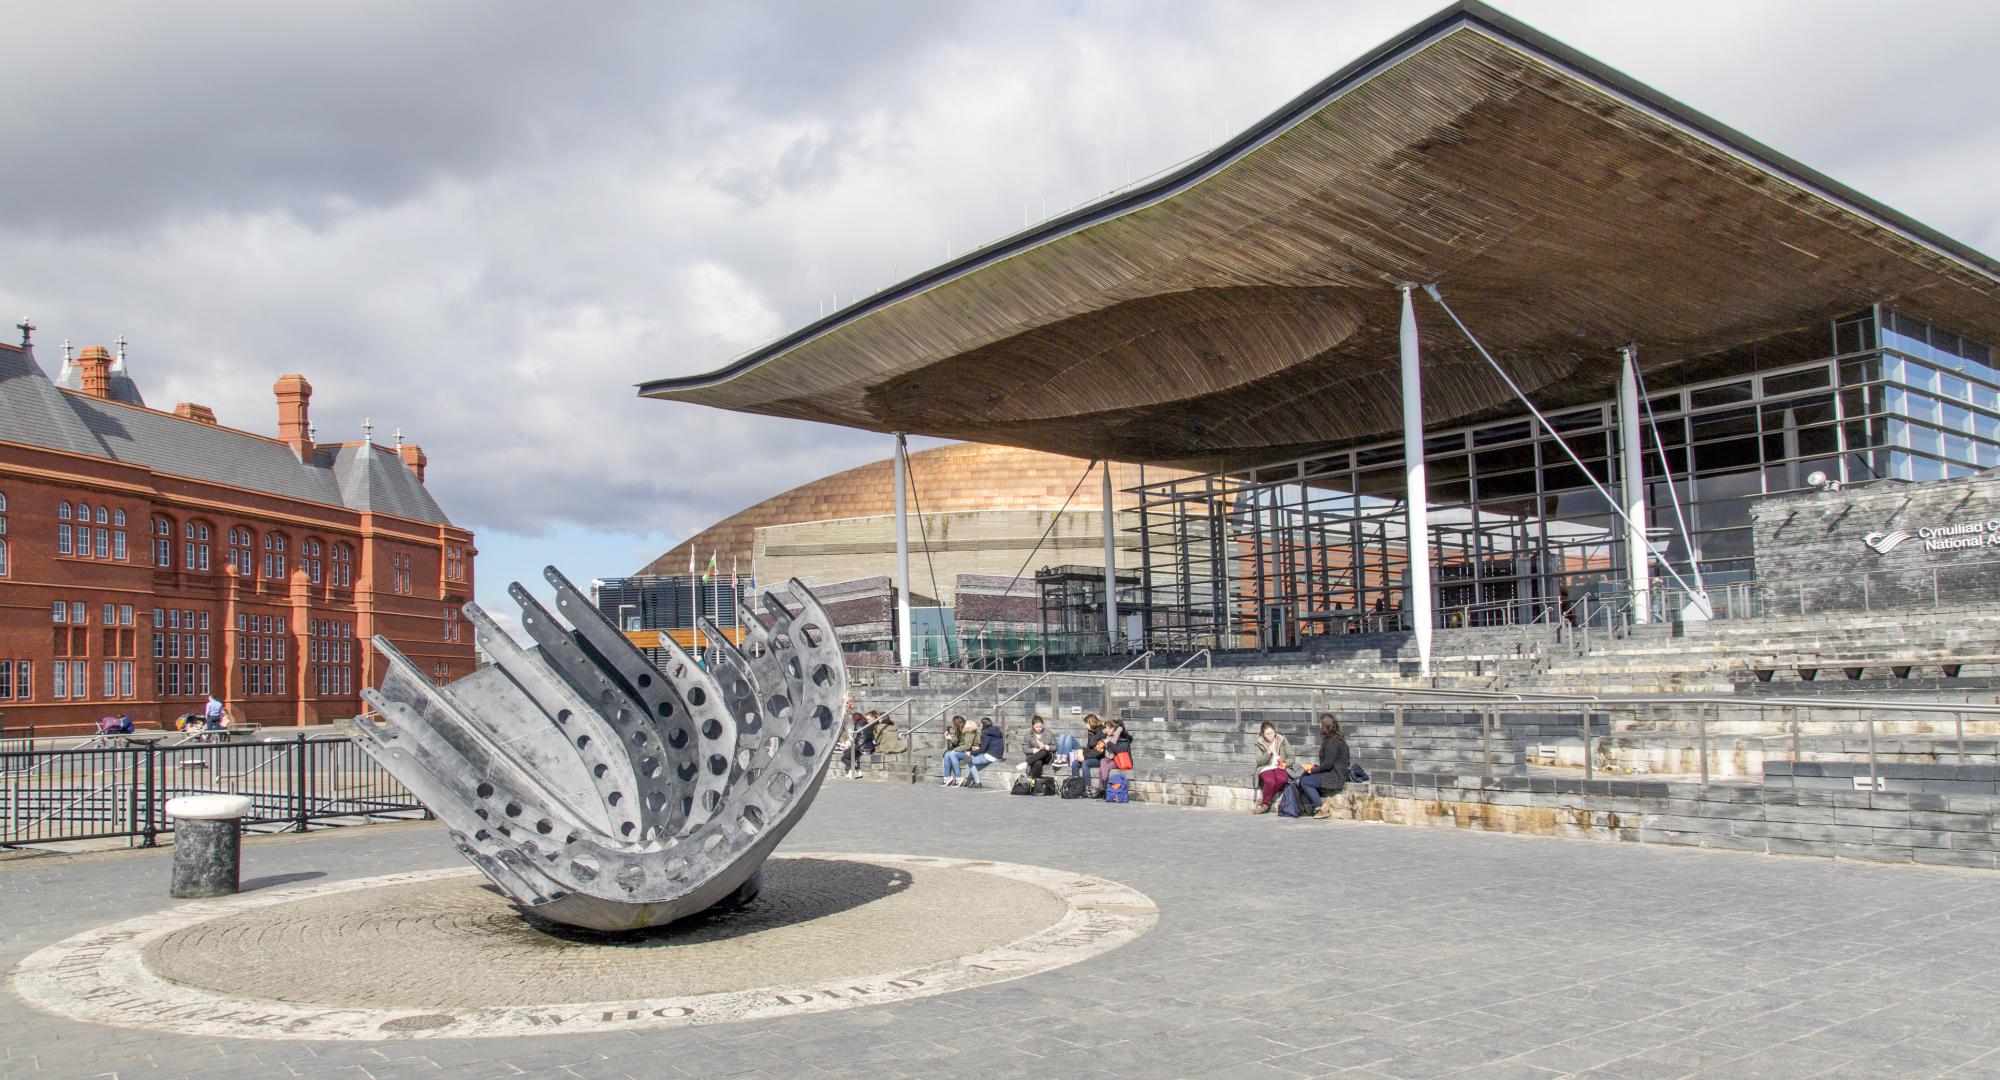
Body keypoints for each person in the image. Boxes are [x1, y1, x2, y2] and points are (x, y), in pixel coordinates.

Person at [1296, 713, 1352, 819]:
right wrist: (1313, 768)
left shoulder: (1333, 742)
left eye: (1321, 725)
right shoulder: (1333, 739)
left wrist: (1313, 770)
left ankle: (1319, 808)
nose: (1319, 727)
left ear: (1326, 727)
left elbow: (1328, 765)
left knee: (1306, 782)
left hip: (1335, 776)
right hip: (1332, 772)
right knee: (1304, 776)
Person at [1252, 720, 1292, 814]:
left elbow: (1291, 757)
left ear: (1275, 731)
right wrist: (1268, 753)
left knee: (1282, 779)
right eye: (1267, 734)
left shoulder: (1281, 740)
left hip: (1280, 766)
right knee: (1270, 781)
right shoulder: (1259, 743)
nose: (1270, 735)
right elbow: (1259, 761)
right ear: (1262, 734)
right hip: (1266, 767)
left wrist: (1285, 764)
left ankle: (1264, 798)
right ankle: (1265, 805)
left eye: (1272, 733)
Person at [963, 716, 1005, 788]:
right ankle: (973, 781)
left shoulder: (986, 733)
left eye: (981, 724)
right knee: (972, 756)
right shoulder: (996, 730)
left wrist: (969, 752)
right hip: (997, 754)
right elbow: (991, 745)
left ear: (983, 724)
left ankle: (977, 782)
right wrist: (978, 748)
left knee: (969, 760)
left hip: (991, 756)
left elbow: (982, 750)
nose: (980, 725)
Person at [1097, 718, 1132, 795]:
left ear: (1113, 729)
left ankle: (1104, 787)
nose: (1106, 729)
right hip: (1113, 758)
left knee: (1105, 768)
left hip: (1121, 760)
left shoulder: (1123, 739)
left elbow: (1118, 750)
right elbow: (1101, 734)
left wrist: (1108, 742)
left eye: (1107, 728)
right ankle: (1101, 788)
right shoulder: (1111, 736)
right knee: (1103, 762)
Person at [1022, 716, 1056, 781]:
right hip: (1034, 756)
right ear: (1033, 726)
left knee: (1043, 751)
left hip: (1047, 756)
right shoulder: (1028, 734)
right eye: (1036, 727)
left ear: (1043, 725)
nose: (1039, 729)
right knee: (1038, 762)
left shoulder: (1049, 733)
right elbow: (1025, 749)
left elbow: (1054, 747)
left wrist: (1045, 747)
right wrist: (1036, 750)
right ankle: (1034, 781)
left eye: (1040, 727)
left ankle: (1027, 763)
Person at [941, 715, 970, 786]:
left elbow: (967, 746)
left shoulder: (969, 731)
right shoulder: (959, 730)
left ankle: (958, 778)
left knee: (952, 754)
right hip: (961, 751)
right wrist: (950, 738)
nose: (953, 725)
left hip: (969, 752)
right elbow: (956, 743)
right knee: (947, 754)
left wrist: (956, 750)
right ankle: (947, 777)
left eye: (954, 724)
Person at [1078, 714, 1106, 784]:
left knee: (1085, 763)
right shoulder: (1091, 731)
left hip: (1101, 758)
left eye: (1086, 723)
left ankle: (1087, 788)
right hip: (1092, 756)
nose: (1085, 726)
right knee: (1075, 763)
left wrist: (1085, 756)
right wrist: (1081, 751)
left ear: (1091, 723)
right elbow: (1089, 747)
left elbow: (1099, 751)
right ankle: (1076, 787)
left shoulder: (1103, 732)